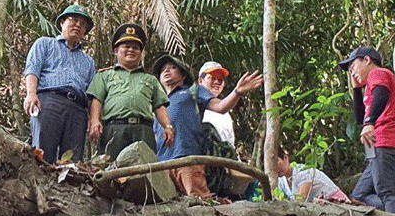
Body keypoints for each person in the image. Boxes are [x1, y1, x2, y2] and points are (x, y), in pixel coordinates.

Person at [151, 54, 263, 198]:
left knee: (200, 202)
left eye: (173, 68)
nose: (167, 71)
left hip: (187, 159)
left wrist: (237, 92)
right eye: (163, 70)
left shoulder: (192, 91)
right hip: (163, 166)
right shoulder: (159, 107)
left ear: (183, 76)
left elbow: (221, 107)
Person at [341, 46, 395, 216]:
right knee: (360, 196)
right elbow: (360, 118)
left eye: (353, 68)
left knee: (387, 192)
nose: (352, 73)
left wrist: (370, 123)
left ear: (367, 60)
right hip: (384, 145)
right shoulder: (370, 86)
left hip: (387, 140)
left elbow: (381, 95)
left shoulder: (378, 73)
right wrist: (357, 89)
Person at [87, 22, 173, 159]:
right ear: (116, 51)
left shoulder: (150, 79)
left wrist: (168, 126)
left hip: (143, 130)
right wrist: (95, 121)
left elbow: (159, 106)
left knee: (145, 171)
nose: (131, 50)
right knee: (112, 171)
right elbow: (97, 100)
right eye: (126, 47)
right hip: (114, 129)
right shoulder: (104, 76)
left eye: (135, 48)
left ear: (141, 53)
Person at [23, 4, 96, 164]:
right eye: (74, 20)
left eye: (83, 24)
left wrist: (93, 119)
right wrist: (31, 94)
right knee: (43, 152)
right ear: (62, 22)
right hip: (49, 101)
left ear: (85, 32)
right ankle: (40, 187)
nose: (78, 25)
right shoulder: (45, 44)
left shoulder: (88, 62)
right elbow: (32, 69)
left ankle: (67, 188)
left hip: (78, 109)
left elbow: (92, 93)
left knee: (73, 160)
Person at [277, 150, 349, 202]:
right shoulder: (281, 181)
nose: (275, 167)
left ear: (286, 158)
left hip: (337, 203)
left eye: (276, 161)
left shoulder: (303, 172)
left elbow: (300, 202)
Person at [198, 61, 235, 146]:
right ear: (200, 81)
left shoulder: (225, 114)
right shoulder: (192, 105)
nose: (217, 82)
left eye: (220, 80)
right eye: (212, 78)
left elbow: (230, 142)